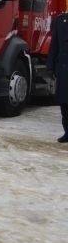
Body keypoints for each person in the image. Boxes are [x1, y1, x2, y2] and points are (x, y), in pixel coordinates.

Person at [47, 10, 68, 143]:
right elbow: (54, 45)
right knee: (64, 103)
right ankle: (67, 132)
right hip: (63, 68)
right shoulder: (60, 21)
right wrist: (50, 66)